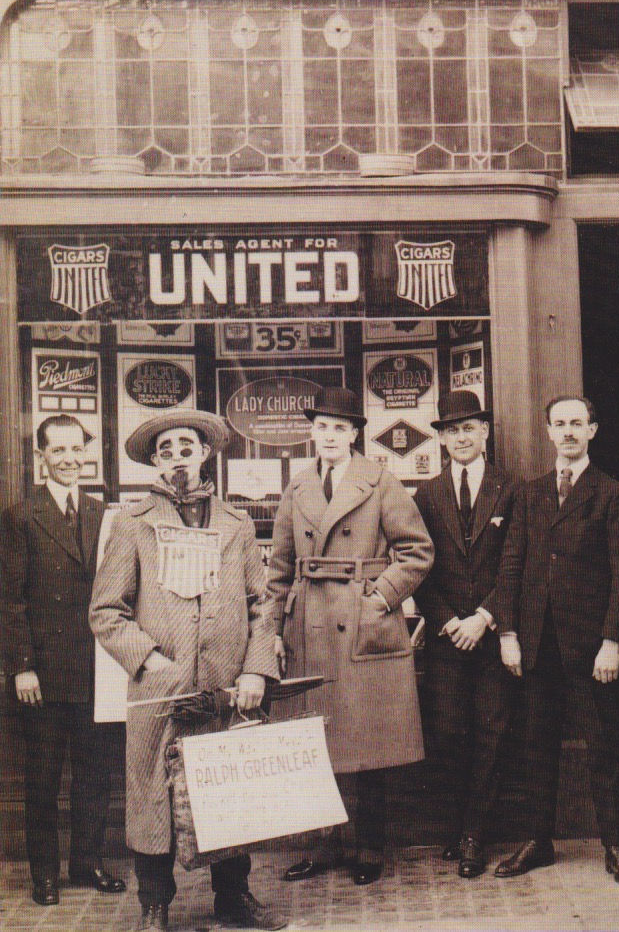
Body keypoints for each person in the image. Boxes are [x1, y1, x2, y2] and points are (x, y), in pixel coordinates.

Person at [89, 410, 284, 932]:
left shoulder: (236, 523)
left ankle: (233, 897)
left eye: (187, 446)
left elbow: (262, 604)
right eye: (166, 448)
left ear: (205, 454)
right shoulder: (133, 524)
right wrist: (150, 661)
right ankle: (154, 903)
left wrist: (255, 672)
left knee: (228, 790)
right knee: (154, 799)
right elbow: (106, 611)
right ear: (155, 460)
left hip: (225, 688)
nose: (178, 455)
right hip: (160, 691)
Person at [266, 386, 433, 886]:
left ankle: (368, 847)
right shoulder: (297, 488)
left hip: (363, 624)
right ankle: (323, 846)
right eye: (322, 427)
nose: (330, 436)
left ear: (356, 433)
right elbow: (278, 569)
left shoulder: (380, 481)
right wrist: (272, 630)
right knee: (314, 741)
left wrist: (379, 598)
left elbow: (417, 552)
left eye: (340, 428)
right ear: (311, 432)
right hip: (309, 626)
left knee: (369, 743)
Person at [493, 396, 619, 888]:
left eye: (578, 423)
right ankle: (539, 841)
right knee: (536, 746)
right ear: (549, 433)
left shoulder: (613, 494)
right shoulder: (529, 493)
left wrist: (612, 640)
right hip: (537, 645)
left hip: (591, 647)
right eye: (560, 424)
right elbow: (511, 565)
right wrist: (509, 633)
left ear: (593, 430)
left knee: (603, 746)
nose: (569, 432)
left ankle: (615, 845)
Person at [0, 414, 125, 907]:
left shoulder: (102, 515)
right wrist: (21, 665)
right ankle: (45, 875)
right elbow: (8, 600)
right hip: (43, 675)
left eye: (78, 451)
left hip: (97, 669)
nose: (70, 460)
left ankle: (88, 863)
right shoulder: (19, 516)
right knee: (44, 778)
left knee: (94, 774)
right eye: (59, 452)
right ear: (42, 458)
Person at [412, 390, 524, 878]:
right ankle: (457, 825)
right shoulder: (427, 493)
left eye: (469, 429)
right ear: (440, 439)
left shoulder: (511, 488)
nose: (460, 437)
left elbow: (517, 562)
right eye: (451, 430)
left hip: (493, 633)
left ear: (485, 433)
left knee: (492, 732)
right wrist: (447, 620)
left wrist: (485, 617)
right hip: (446, 636)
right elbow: (421, 566)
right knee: (449, 732)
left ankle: (476, 833)